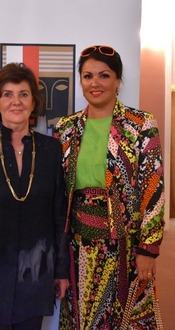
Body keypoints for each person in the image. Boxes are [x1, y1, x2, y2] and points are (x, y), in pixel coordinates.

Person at [54, 45, 165, 329]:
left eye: (104, 75)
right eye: (88, 76)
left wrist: (148, 250)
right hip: (77, 249)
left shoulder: (140, 125)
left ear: (117, 81)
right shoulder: (65, 129)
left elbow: (153, 189)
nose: (95, 83)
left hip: (126, 251)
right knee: (82, 320)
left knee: (124, 320)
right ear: (80, 80)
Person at [0, 62, 70, 330]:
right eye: (7, 94)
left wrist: (61, 271)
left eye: (23, 94)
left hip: (36, 274)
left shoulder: (51, 149)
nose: (16, 101)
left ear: (33, 102)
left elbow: (58, 216)